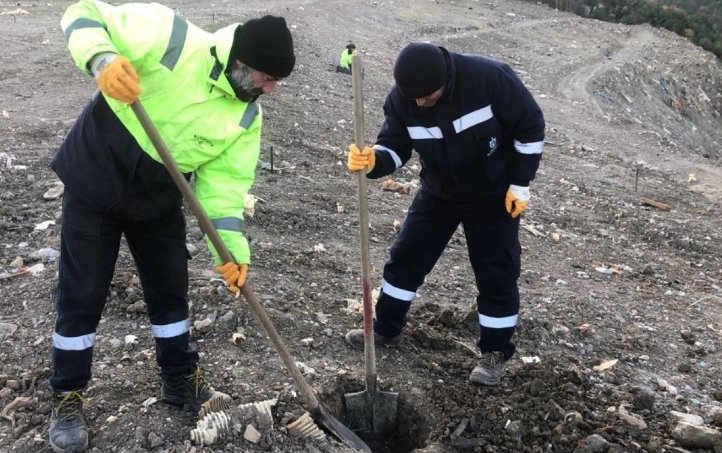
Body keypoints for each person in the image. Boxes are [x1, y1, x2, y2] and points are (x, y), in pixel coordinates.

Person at [50, 0, 295, 451]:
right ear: (244, 63)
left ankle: (180, 379)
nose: (271, 89)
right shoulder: (170, 36)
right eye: (267, 77)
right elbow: (83, 14)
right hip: (96, 172)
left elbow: (223, 189)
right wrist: (101, 58)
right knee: (83, 293)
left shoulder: (246, 116)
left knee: (170, 289)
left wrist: (233, 250)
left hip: (160, 194)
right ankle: (67, 395)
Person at [344, 42, 545, 386]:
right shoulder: (402, 99)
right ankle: (385, 329)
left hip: (493, 194)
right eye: (415, 98)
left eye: (428, 97)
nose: (421, 104)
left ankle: (494, 352)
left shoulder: (488, 79)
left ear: (446, 79)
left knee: (496, 270)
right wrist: (374, 160)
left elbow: (530, 126)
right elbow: (395, 146)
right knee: (406, 258)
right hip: (440, 192)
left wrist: (520, 183)